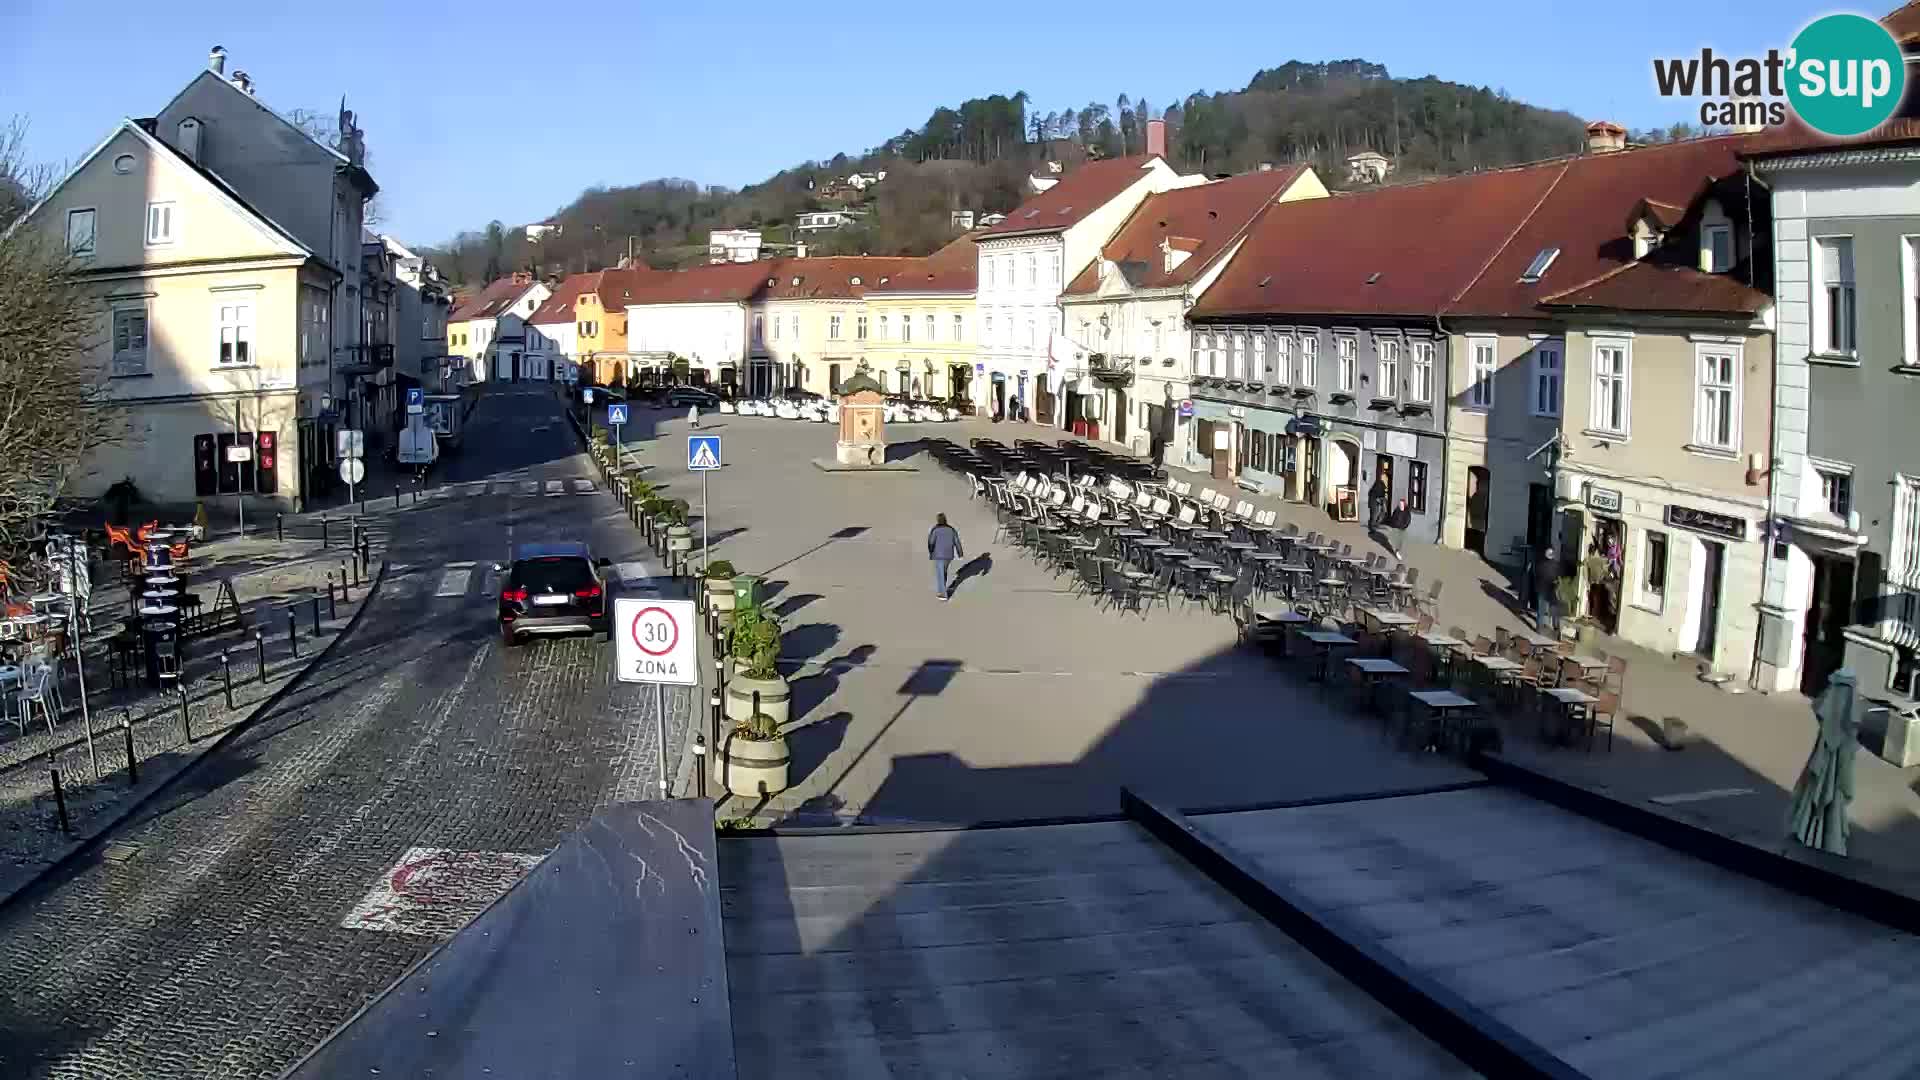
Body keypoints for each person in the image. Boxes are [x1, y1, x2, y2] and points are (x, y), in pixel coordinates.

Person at [927, 513, 964, 601]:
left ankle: (943, 594)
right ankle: (943, 589)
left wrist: (931, 551)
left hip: (938, 554)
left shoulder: (935, 529)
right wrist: (960, 553)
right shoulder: (951, 529)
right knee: (943, 571)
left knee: (940, 573)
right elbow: (957, 541)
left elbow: (931, 542)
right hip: (948, 555)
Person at [1534, 545, 1561, 635]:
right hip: (1551, 589)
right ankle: (1556, 628)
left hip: (1542, 589)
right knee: (1554, 609)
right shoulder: (1556, 565)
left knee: (1541, 610)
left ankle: (1539, 628)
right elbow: (1558, 578)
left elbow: (1536, 575)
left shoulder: (1539, 563)